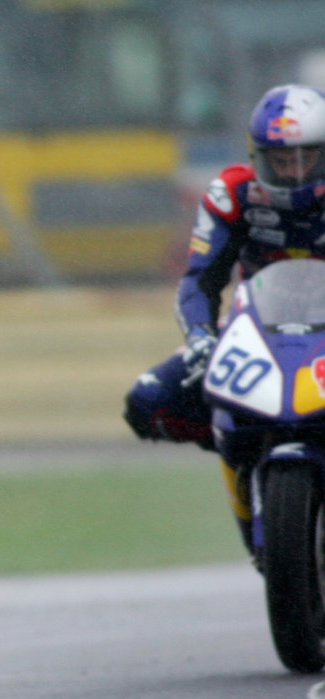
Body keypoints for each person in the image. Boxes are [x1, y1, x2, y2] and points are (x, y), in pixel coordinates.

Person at [125, 83, 325, 554]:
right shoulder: (233, 193)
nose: (293, 171)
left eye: (305, 158)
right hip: (261, 333)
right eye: (280, 159)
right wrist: (199, 338)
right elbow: (198, 280)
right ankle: (240, 448)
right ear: (259, 157)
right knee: (148, 400)